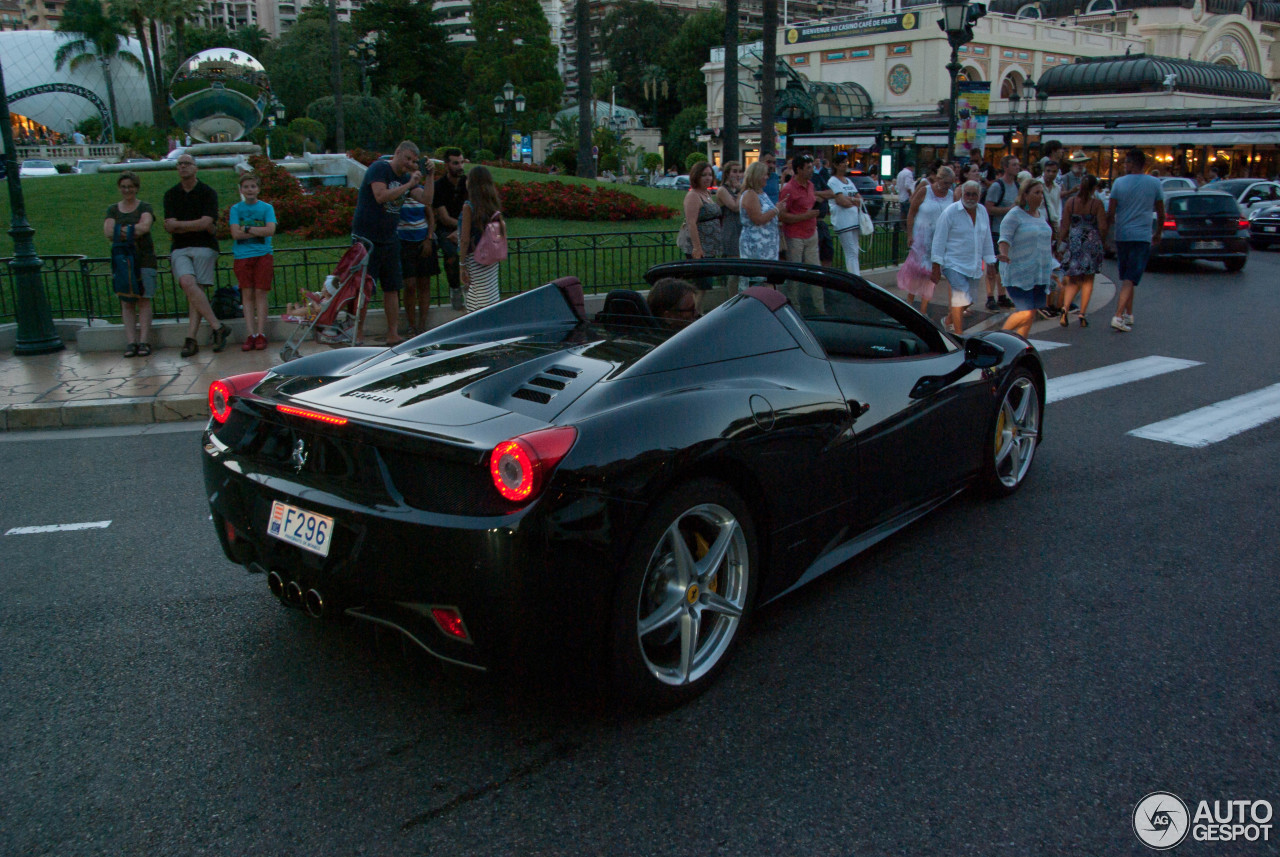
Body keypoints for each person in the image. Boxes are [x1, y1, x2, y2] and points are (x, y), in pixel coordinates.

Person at [351, 140, 427, 346]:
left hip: (390, 238)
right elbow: (380, 196)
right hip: (367, 238)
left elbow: (426, 199)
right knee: (363, 288)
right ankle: (357, 332)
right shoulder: (380, 168)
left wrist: (429, 177)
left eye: (414, 161)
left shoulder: (405, 178)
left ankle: (392, 333)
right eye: (407, 158)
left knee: (392, 287)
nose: (410, 163)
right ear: (397, 153)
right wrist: (409, 184)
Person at [164, 153, 230, 358]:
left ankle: (191, 339)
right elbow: (169, 226)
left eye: (187, 164)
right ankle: (217, 326)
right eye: (179, 164)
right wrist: (196, 225)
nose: (183, 167)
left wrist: (180, 226)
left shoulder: (207, 193)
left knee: (195, 290)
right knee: (187, 283)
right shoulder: (171, 194)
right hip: (180, 248)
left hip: (204, 246)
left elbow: (206, 223)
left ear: (195, 168)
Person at [1106, 149, 1164, 332]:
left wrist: (1107, 234)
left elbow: (1111, 211)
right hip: (1142, 235)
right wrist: (1158, 232)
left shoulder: (1119, 183)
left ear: (1131, 164)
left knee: (1126, 276)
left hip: (1122, 234)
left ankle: (1127, 314)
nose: (1124, 166)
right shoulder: (1155, 183)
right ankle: (1118, 315)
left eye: (1125, 163)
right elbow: (1161, 211)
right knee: (1131, 278)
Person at [931, 180, 998, 336]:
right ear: (962, 194)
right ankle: (959, 334)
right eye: (967, 194)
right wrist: (936, 266)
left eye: (974, 194)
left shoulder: (982, 211)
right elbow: (939, 240)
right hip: (953, 263)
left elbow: (987, 238)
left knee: (970, 300)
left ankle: (948, 320)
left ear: (979, 196)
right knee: (960, 297)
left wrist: (991, 262)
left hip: (973, 264)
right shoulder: (950, 212)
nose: (970, 197)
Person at [104, 171, 156, 357]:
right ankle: (131, 342)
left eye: (130, 186)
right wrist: (131, 231)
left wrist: (121, 231)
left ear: (136, 188)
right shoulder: (113, 209)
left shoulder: (144, 207)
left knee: (143, 299)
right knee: (126, 301)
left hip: (144, 259)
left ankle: (144, 341)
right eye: (124, 186)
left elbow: (144, 227)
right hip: (122, 261)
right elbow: (108, 231)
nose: (127, 190)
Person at [996, 179, 1057, 338]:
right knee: (1026, 313)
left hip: (1038, 273)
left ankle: (1019, 345)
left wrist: (1052, 266)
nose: (1041, 196)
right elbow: (1004, 238)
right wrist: (1004, 253)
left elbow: (1043, 242)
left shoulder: (1040, 214)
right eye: (1036, 193)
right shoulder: (1014, 215)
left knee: (1031, 313)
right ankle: (997, 341)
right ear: (1025, 195)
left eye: (1041, 193)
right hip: (1019, 272)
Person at [227, 172, 277, 351]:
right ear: (241, 189)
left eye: (253, 186)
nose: (250, 190)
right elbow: (235, 233)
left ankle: (261, 332)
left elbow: (270, 230)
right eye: (246, 187)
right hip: (242, 256)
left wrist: (247, 228)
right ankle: (251, 334)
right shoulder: (236, 209)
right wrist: (258, 230)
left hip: (262, 254)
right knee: (247, 294)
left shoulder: (266, 208)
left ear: (258, 189)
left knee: (260, 293)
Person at [899, 166, 956, 312]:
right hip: (921, 239)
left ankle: (923, 309)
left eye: (950, 183)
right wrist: (910, 234)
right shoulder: (925, 191)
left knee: (932, 274)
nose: (947, 187)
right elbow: (912, 211)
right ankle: (909, 303)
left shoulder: (951, 195)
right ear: (938, 179)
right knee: (918, 272)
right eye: (945, 183)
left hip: (939, 241)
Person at [1057, 173, 1107, 328]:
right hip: (1091, 242)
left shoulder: (1070, 203)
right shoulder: (1096, 204)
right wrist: (1102, 242)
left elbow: (1064, 226)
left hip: (1075, 241)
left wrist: (1060, 244)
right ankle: (1082, 314)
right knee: (1088, 280)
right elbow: (1103, 226)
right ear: (1093, 189)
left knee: (1073, 279)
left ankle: (1065, 308)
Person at [457, 165, 506, 313]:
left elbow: (465, 239)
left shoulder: (469, 207)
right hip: (491, 256)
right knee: (490, 293)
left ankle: (477, 322)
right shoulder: (492, 204)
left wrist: (462, 264)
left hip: (475, 257)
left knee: (476, 294)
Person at [397, 158, 436, 335]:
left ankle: (422, 324)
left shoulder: (421, 194)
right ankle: (411, 323)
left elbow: (430, 215)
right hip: (404, 242)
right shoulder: (401, 193)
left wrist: (428, 238)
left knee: (424, 283)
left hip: (422, 240)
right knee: (409, 284)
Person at [982, 155, 1020, 311]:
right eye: (1014, 164)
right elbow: (988, 208)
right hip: (996, 231)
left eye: (1018, 164)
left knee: (1005, 266)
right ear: (1005, 167)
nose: (1017, 167)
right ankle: (990, 297)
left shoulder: (1017, 186)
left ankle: (1002, 296)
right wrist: (1008, 210)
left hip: (1009, 233)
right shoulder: (998, 186)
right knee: (993, 266)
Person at [434, 147, 468, 311]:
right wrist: (460, 228)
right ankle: (455, 289)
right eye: (455, 163)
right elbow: (444, 218)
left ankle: (471, 292)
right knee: (452, 255)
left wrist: (463, 230)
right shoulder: (439, 186)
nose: (460, 166)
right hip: (446, 230)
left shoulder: (468, 183)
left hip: (465, 227)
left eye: (461, 162)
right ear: (447, 164)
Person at [738, 160, 782, 276]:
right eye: (765, 174)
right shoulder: (750, 194)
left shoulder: (762, 193)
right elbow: (757, 219)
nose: (767, 177)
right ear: (757, 175)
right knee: (757, 278)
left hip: (768, 245)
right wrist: (776, 209)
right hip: (756, 244)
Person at [778, 154, 820, 266]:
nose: (812, 171)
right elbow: (781, 215)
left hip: (811, 233)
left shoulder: (810, 185)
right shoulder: (788, 189)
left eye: (812, 168)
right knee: (795, 271)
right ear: (798, 169)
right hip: (795, 236)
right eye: (808, 168)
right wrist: (805, 216)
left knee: (815, 269)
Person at [827, 153, 866, 276]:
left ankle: (856, 275)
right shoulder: (833, 181)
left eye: (846, 163)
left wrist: (852, 200)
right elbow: (841, 201)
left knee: (855, 250)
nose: (845, 165)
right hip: (843, 221)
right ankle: (855, 277)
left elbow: (859, 198)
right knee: (850, 251)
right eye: (842, 163)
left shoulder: (848, 181)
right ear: (836, 165)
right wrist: (853, 200)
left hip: (854, 220)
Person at [682, 161, 721, 259]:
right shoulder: (693, 195)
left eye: (710, 175)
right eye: (704, 175)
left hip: (711, 246)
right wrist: (697, 248)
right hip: (701, 247)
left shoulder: (707, 193)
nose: (708, 178)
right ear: (696, 176)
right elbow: (691, 223)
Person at [716, 160, 744, 259]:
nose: (738, 175)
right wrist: (741, 191)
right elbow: (735, 207)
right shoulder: (723, 190)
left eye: (740, 172)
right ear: (727, 174)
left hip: (742, 227)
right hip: (730, 229)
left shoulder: (738, 189)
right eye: (735, 171)